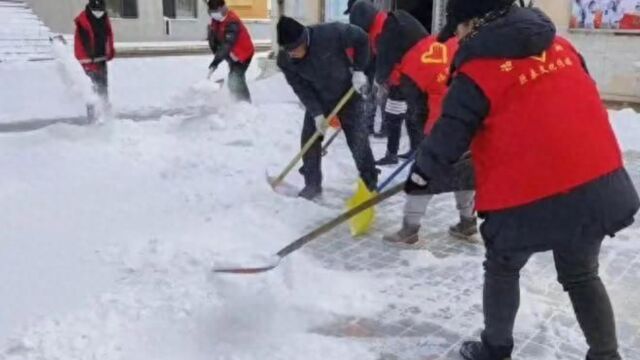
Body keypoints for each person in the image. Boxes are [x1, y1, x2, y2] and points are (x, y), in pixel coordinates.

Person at [405, 0, 640, 359]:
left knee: (503, 266)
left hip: (530, 193)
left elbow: (448, 137)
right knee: (580, 273)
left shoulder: (478, 71)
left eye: (458, 28)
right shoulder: (563, 46)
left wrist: (422, 173)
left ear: (474, 24)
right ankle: (607, 356)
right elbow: (565, 100)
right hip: (598, 181)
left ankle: (495, 350)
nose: (457, 37)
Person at [372, 10, 476, 244]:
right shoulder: (450, 41)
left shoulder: (410, 67)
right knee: (467, 173)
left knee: (422, 176)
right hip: (471, 120)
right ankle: (467, 224)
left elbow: (418, 111)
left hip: (442, 126)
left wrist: (424, 142)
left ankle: (409, 230)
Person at [276, 16, 378, 200]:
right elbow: (300, 87)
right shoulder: (285, 59)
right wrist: (316, 114)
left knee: (358, 140)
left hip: (348, 93)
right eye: (287, 50)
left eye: (294, 49)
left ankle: (370, 182)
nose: (291, 54)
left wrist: (359, 70)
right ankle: (312, 184)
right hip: (319, 99)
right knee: (310, 139)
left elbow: (362, 38)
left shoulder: (332, 33)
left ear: (303, 39)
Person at [347, 0, 420, 166]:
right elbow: (378, 58)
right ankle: (413, 150)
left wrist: (378, 81)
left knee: (396, 112)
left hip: (412, 72)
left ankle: (395, 154)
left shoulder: (383, 31)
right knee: (407, 112)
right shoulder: (385, 22)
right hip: (409, 71)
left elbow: (384, 61)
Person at [74, 0, 115, 122]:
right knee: (92, 93)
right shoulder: (83, 21)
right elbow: (79, 44)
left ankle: (106, 119)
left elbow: (109, 36)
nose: (99, 13)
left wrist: (110, 52)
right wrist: (85, 59)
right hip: (89, 63)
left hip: (101, 60)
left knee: (103, 90)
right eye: (96, 10)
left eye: (101, 10)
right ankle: (93, 120)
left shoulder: (104, 19)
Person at [206, 0, 254, 103]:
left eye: (216, 10)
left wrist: (216, 61)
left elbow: (227, 44)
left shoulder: (232, 21)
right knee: (234, 76)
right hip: (231, 54)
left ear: (222, 8)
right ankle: (236, 100)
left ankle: (246, 104)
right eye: (211, 11)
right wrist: (216, 51)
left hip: (243, 54)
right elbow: (215, 38)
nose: (214, 13)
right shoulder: (216, 20)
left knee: (235, 79)